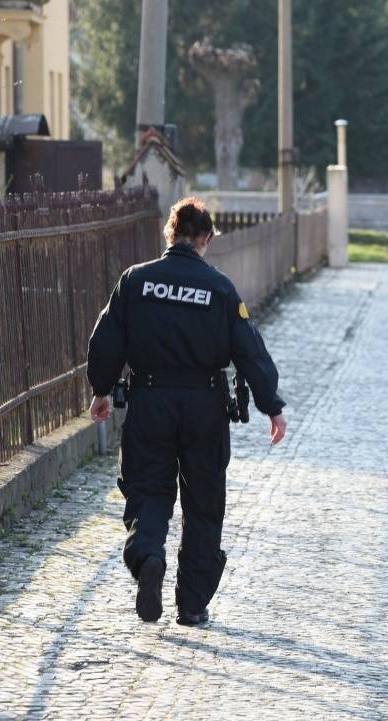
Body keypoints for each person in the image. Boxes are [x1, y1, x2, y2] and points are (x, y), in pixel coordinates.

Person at [87, 197, 288, 626]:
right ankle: (192, 604)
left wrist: (101, 390)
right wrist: (271, 405)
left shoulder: (135, 281)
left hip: (149, 400)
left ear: (170, 234)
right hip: (204, 406)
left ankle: (148, 557)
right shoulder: (219, 288)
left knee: (148, 489)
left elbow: (105, 340)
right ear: (206, 239)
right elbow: (249, 350)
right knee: (203, 501)